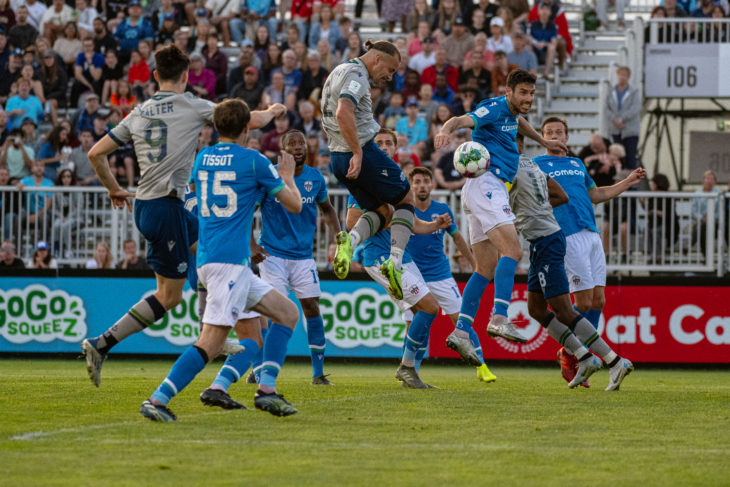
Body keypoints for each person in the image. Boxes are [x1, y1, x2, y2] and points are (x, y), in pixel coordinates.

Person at [80, 44, 287, 388]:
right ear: (187, 75)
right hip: (166, 207)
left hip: (151, 206)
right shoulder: (193, 105)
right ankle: (102, 344)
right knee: (169, 296)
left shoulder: (138, 112)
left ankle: (212, 330)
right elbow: (245, 119)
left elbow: (95, 153)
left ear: (156, 76)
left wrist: (114, 188)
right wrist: (273, 110)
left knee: (206, 248)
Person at [139, 98, 303, 421]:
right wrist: (288, 175)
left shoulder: (203, 158)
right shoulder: (254, 161)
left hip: (216, 258)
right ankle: (157, 400)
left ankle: (266, 391)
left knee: (286, 313)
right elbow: (294, 205)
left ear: (216, 127)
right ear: (247, 128)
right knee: (211, 342)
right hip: (228, 263)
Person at [433, 69, 568, 365]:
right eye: (523, 93)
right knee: (514, 251)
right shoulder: (493, 108)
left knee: (485, 268)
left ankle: (461, 331)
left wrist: (544, 143)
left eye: (532, 93)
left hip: (480, 189)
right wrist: (446, 129)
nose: (529, 99)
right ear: (508, 91)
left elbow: (519, 122)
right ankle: (500, 316)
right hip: (488, 184)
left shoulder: (511, 114)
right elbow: (462, 120)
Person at [203, 130, 341, 406]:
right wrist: (252, 245)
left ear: (308, 147)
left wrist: (338, 240)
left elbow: (327, 210)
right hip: (272, 256)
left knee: (311, 306)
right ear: (282, 149)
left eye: (302, 143)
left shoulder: (316, 178)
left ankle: (318, 373)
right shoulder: (269, 175)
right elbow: (245, 213)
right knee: (270, 314)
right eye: (292, 144)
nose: (298, 148)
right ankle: (260, 370)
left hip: (304, 256)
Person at [511, 133, 635, 390]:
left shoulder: (528, 166)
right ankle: (584, 356)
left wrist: (527, 213)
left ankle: (610, 360)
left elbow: (564, 196)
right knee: (536, 308)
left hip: (552, 238)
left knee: (568, 308)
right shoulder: (523, 165)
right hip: (541, 240)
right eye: (549, 132)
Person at [532, 116, 645, 382]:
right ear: (543, 136)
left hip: (591, 234)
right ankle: (572, 351)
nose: (556, 136)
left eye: (560, 132)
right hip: (567, 236)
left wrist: (627, 182)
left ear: (567, 137)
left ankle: (576, 354)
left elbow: (595, 195)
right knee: (581, 302)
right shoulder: (537, 165)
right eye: (550, 132)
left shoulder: (576, 163)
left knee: (598, 301)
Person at [346, 129, 453, 388]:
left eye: (388, 143)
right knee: (429, 307)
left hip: (400, 258)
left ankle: (409, 371)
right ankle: (407, 368)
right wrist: (388, 218)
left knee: (422, 312)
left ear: (395, 148)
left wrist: (435, 224)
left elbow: (412, 224)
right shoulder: (366, 178)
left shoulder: (398, 181)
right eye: (378, 143)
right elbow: (351, 222)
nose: (383, 147)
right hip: (380, 258)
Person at [322, 40, 416, 301]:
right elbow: (343, 112)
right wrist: (358, 152)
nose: (391, 75)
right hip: (360, 151)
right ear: (377, 59)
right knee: (407, 200)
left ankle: (349, 242)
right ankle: (395, 265)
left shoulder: (339, 70)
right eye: (391, 69)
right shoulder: (357, 75)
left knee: (383, 211)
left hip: (336, 157)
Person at [407, 166, 498, 382]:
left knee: (461, 321)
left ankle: (482, 367)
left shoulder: (442, 209)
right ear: (411, 186)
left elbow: (457, 238)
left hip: (440, 275)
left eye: (425, 181)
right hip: (412, 276)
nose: (421, 186)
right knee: (414, 325)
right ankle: (411, 370)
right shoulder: (405, 211)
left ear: (432, 184)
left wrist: (476, 263)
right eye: (417, 182)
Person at [605, 66, 642, 170]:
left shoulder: (634, 91)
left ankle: (631, 183)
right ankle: (620, 181)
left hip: (629, 129)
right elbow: (607, 108)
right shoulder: (611, 91)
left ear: (628, 77)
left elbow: (636, 108)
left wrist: (621, 119)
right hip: (615, 129)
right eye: (620, 75)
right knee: (617, 157)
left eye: (625, 75)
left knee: (630, 157)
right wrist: (614, 119)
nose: (622, 77)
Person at [690, 170, 721, 257]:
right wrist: (701, 218)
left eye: (711, 179)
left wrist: (711, 218)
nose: (709, 181)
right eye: (707, 178)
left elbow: (720, 211)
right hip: (701, 222)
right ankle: (706, 258)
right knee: (703, 227)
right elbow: (693, 211)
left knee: (702, 227)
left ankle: (691, 244)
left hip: (715, 224)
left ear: (715, 181)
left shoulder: (719, 194)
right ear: (703, 180)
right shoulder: (697, 193)